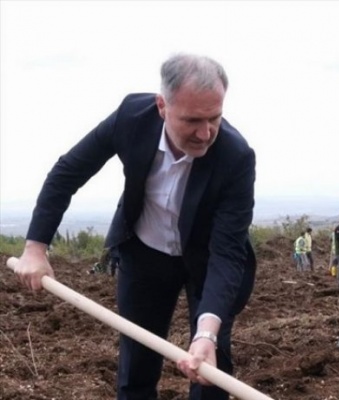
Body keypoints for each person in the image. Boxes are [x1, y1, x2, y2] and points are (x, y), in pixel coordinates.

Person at [12, 53, 257, 400]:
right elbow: (68, 172)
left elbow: (227, 251)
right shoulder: (132, 117)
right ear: (162, 106)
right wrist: (35, 248)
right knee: (137, 367)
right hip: (145, 254)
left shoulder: (236, 156)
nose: (205, 133)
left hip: (207, 262)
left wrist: (207, 332)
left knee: (209, 369)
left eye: (214, 118)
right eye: (192, 120)